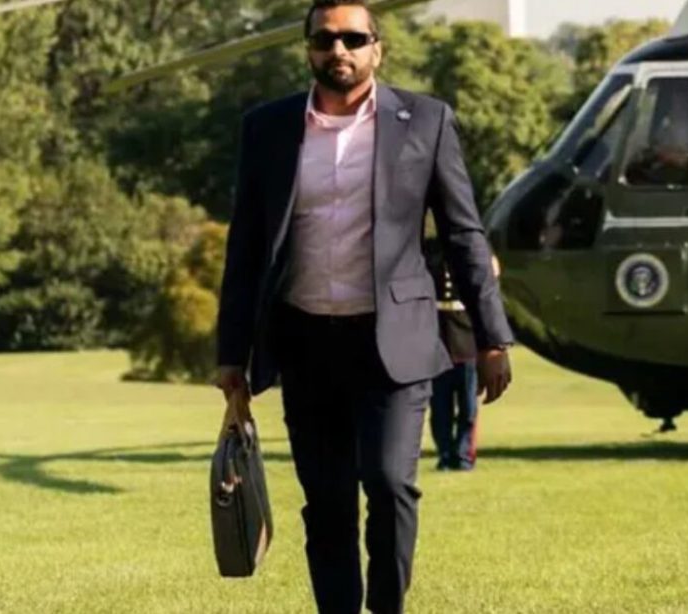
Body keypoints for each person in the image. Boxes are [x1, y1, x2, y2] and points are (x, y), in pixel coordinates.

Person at [214, 1, 514, 612]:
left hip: (394, 343)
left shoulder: (426, 121)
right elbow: (245, 247)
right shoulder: (267, 128)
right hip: (305, 343)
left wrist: (492, 337)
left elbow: (464, 235)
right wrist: (231, 355)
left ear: (378, 47)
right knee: (326, 504)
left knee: (389, 482)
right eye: (325, 39)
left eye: (353, 39)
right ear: (308, 48)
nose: (339, 51)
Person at [424, 237, 479, 472]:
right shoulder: (428, 249)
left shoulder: (469, 247)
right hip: (438, 336)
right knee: (440, 406)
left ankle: (463, 455)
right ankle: (445, 454)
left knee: (468, 406)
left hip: (466, 338)